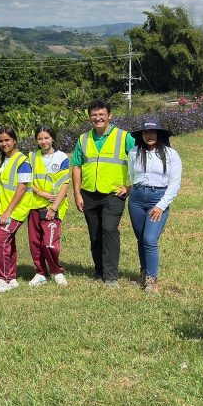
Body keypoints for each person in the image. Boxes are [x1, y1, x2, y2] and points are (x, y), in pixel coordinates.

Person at [71, 99, 136, 286]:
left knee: (109, 230)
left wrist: (130, 187)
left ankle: (111, 276)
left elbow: (140, 162)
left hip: (113, 194)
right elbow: (76, 166)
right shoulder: (83, 139)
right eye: (94, 115)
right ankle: (99, 271)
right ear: (89, 117)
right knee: (95, 234)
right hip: (89, 194)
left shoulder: (124, 137)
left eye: (102, 114)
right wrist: (77, 193)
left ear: (109, 115)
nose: (98, 118)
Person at [127, 120, 182, 293]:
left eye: (152, 132)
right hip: (136, 198)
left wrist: (161, 205)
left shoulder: (171, 154)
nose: (149, 135)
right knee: (141, 238)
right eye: (145, 132)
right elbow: (132, 175)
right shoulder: (134, 152)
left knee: (150, 239)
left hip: (157, 198)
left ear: (159, 134)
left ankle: (152, 281)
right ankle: (143, 275)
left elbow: (175, 183)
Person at [25, 127, 71, 287]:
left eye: (46, 138)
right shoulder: (31, 157)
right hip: (34, 205)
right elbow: (27, 180)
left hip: (53, 206)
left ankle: (56, 271)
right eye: (40, 138)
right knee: (34, 242)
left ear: (53, 139)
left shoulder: (62, 157)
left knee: (49, 242)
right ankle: (40, 272)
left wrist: (54, 207)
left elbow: (65, 184)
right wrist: (40, 193)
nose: (43, 141)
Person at [0, 127, 31, 293]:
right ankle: (11, 277)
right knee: (8, 243)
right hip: (3, 209)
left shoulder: (23, 162)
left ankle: (3, 278)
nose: (4, 143)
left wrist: (7, 212)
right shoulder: (4, 159)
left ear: (14, 141)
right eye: (0, 141)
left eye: (7, 140)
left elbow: (22, 188)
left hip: (15, 210)